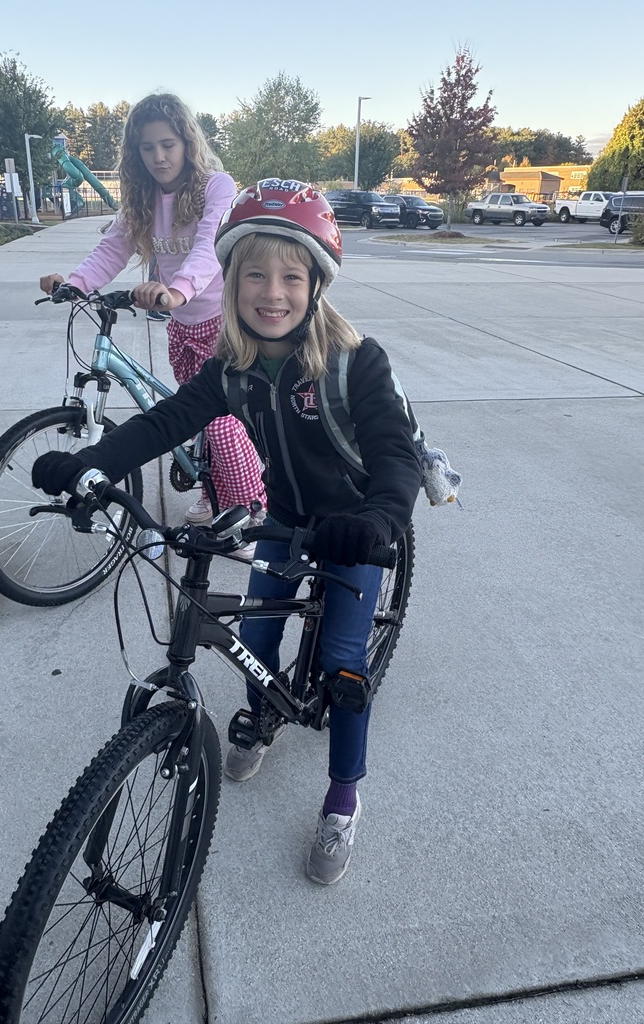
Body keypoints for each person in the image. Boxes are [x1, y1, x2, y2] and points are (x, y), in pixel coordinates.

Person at [31, 179, 423, 884]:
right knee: (257, 637)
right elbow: (164, 422)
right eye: (254, 276)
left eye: (291, 277)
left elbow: (394, 456)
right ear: (232, 282)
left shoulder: (355, 362)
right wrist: (92, 464)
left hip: (352, 525)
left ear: (316, 285)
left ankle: (342, 799)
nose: (272, 293)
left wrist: (379, 521)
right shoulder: (232, 368)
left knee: (343, 662)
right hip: (285, 520)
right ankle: (261, 718)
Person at [38, 93, 264, 540]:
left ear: (188, 143)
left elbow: (210, 246)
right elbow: (113, 247)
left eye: (168, 144)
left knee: (219, 421)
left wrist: (177, 289)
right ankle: (213, 489)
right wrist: (76, 283)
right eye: (147, 147)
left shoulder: (214, 186)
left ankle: (250, 512)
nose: (159, 157)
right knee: (194, 418)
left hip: (224, 322)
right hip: (182, 323)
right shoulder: (141, 197)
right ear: (136, 152)